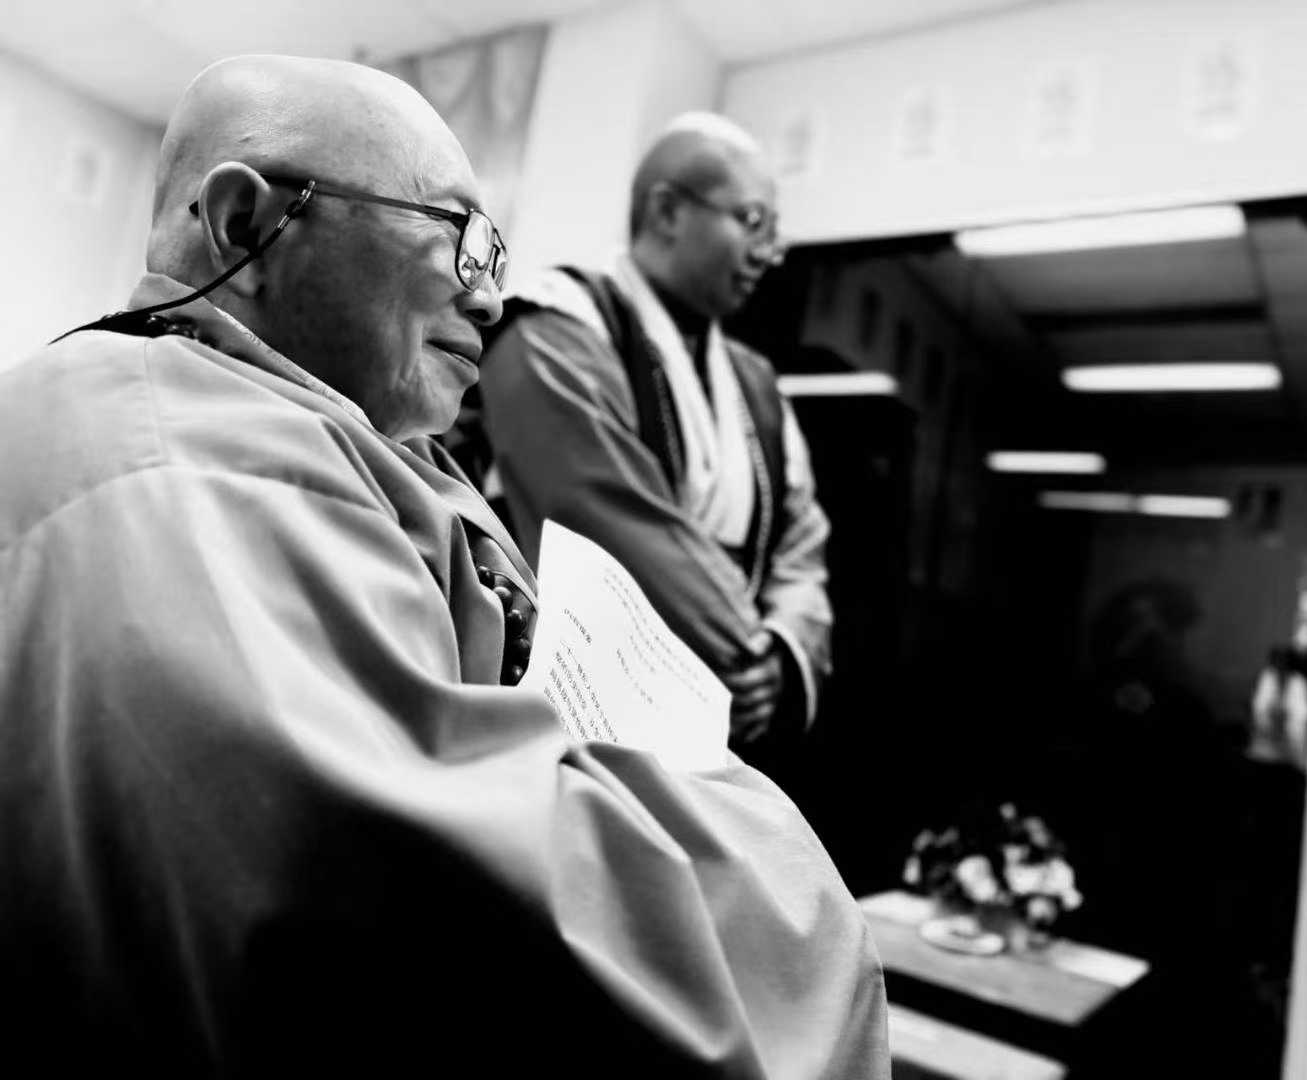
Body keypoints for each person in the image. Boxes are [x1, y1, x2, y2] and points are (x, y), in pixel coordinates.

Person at [0, 55, 887, 1076]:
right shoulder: (193, 468)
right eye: (456, 234)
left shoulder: (315, 433)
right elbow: (443, 906)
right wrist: (766, 841)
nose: (492, 295)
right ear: (248, 227)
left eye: (494, 249)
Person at [474, 114, 832, 775]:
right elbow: (601, 513)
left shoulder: (758, 386)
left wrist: (783, 653)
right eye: (753, 222)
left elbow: (801, 547)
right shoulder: (556, 324)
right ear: (667, 211)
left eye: (774, 232)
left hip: (728, 716)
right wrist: (744, 652)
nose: (770, 252)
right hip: (577, 710)